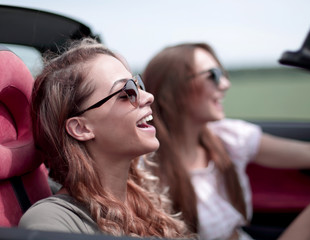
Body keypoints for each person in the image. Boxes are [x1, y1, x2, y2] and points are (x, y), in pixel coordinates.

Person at [142, 42, 310, 240]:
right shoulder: (146, 167)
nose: (225, 84)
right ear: (174, 89)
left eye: (223, 73)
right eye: (213, 75)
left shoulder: (229, 138)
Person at [18, 38, 193, 239]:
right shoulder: (53, 220)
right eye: (127, 92)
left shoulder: (143, 200)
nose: (148, 96)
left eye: (138, 84)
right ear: (81, 128)